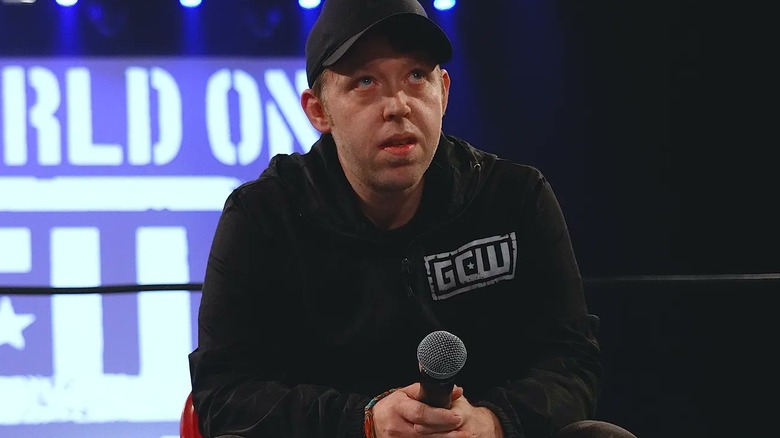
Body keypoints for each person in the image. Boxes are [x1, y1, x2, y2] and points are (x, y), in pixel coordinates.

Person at [188, 0, 638, 437]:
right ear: (318, 110)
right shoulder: (264, 215)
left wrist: (494, 423)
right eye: (365, 81)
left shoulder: (515, 197)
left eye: (416, 76)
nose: (397, 104)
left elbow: (572, 361)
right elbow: (223, 393)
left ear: (443, 91)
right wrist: (364, 421)